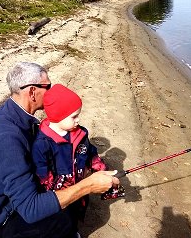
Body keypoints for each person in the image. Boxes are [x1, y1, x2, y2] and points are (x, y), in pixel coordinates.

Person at [0, 62, 119, 238]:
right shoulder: (8, 138)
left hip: (3, 204)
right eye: (48, 86)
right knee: (63, 217)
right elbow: (30, 209)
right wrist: (89, 185)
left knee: (64, 197)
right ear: (32, 92)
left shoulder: (13, 114)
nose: (51, 92)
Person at [32, 84, 124, 234]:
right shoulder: (42, 144)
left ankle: (74, 228)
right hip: (59, 196)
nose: (78, 120)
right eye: (74, 116)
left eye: (78, 115)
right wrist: (56, 192)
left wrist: (102, 170)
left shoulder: (80, 134)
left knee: (77, 211)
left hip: (79, 185)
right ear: (57, 116)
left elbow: (91, 154)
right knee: (62, 217)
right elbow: (42, 174)